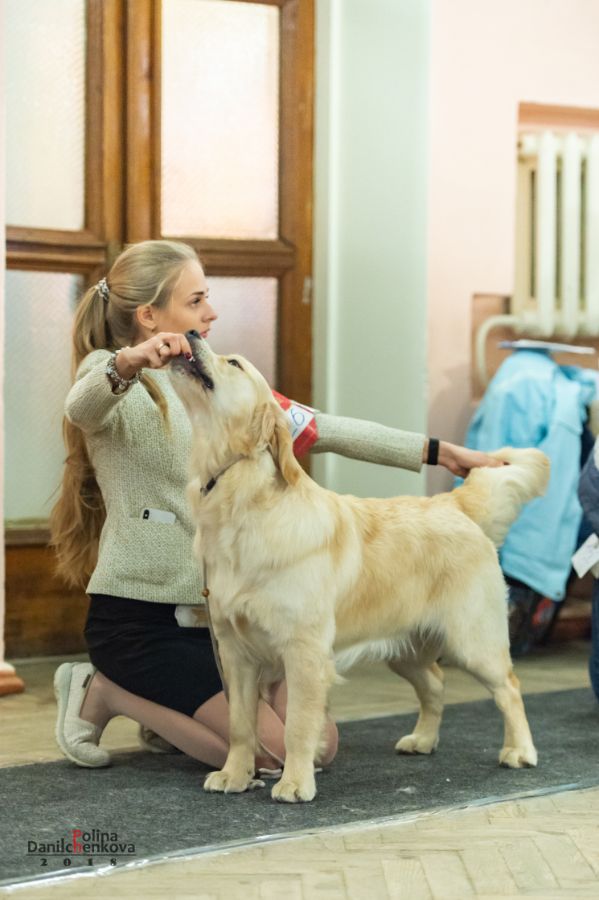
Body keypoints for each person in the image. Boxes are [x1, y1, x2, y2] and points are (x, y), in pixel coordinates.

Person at [50, 239, 501, 772]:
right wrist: (127, 363)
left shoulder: (222, 385)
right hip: (142, 624)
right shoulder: (111, 376)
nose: (210, 312)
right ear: (149, 316)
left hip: (223, 621)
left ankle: (165, 719)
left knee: (318, 748)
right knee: (270, 756)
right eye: (196, 301)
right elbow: (82, 407)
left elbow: (324, 428)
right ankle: (106, 690)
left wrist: (438, 453)